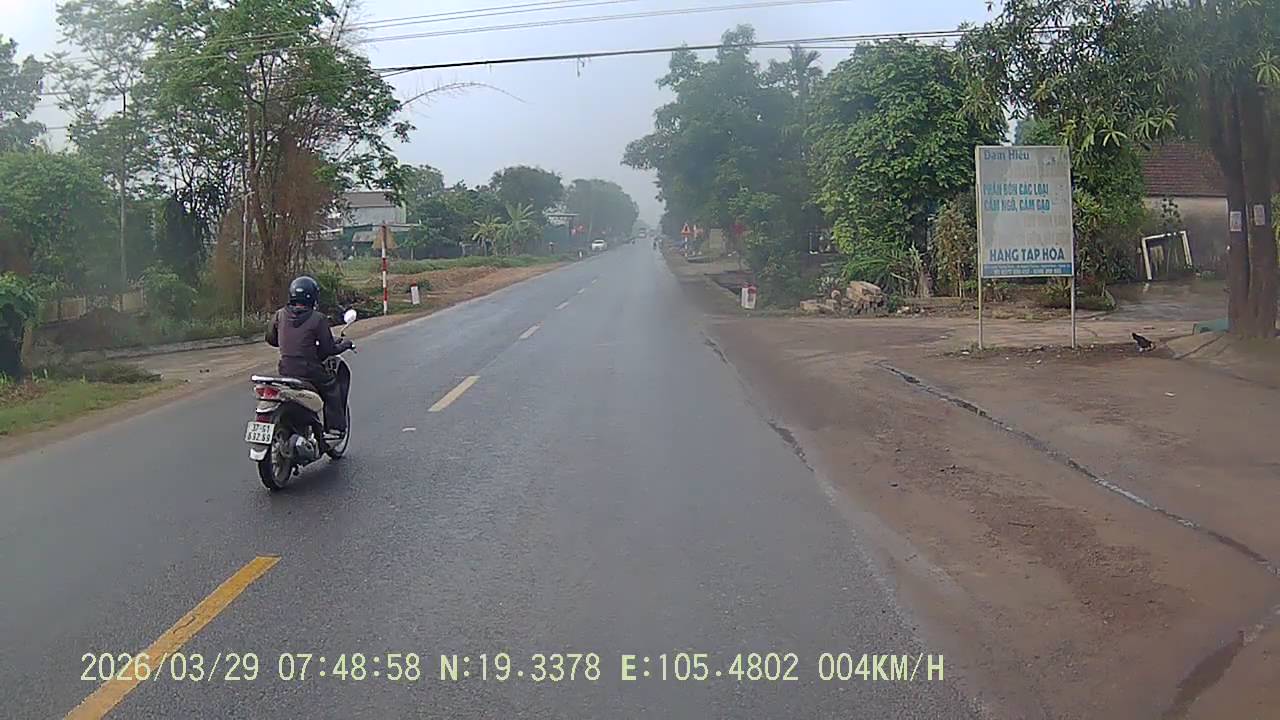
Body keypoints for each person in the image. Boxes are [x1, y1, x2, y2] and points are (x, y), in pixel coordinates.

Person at [265, 276, 353, 436]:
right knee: (332, 386)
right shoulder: (318, 318)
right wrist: (345, 344)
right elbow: (328, 349)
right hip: (309, 372)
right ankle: (334, 428)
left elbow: (271, 339)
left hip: (285, 370)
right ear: (313, 297)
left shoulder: (279, 314)